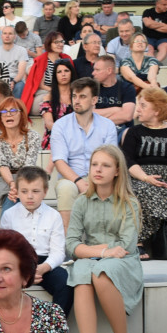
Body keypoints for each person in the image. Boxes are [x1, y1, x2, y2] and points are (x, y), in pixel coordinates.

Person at [67, 145, 143, 333]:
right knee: (81, 271)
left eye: (105, 165)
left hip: (124, 262)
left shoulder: (130, 203)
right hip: (95, 259)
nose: (98, 170)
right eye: (94, 165)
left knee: (100, 272)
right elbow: (71, 244)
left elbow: (126, 246)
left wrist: (90, 249)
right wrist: (101, 251)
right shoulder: (82, 201)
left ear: (117, 171)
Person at [123, 88, 167, 258]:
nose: (138, 109)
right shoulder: (134, 132)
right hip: (141, 177)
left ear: (156, 110)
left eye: (142, 105)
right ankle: (139, 243)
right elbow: (127, 161)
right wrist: (146, 177)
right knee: (139, 191)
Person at [0, 167, 73, 315]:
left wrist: (43, 268)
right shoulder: (9, 215)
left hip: (45, 264)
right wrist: (23, 270)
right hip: (18, 264)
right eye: (24, 191)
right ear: (18, 192)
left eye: (36, 191)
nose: (30, 196)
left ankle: (53, 330)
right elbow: (4, 251)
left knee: (65, 283)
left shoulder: (54, 216)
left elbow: (58, 252)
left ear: (45, 192)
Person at [51, 77, 118, 230]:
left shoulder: (107, 126)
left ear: (94, 99)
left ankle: (103, 243)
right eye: (74, 96)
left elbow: (110, 160)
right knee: (66, 189)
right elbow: (59, 161)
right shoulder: (60, 125)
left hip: (100, 176)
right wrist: (80, 182)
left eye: (82, 96)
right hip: (71, 177)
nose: (77, 101)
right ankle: (69, 246)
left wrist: (95, 181)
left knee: (106, 187)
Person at [0, 96, 42, 203]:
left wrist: (19, 185)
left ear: (22, 115)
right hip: (3, 179)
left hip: (27, 178)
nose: (8, 114)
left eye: (13, 110)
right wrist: (13, 184)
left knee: (21, 197)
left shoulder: (33, 136)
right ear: (0, 117)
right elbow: (2, 165)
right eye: (4, 111)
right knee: (11, 199)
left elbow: (29, 165)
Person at [22, 32, 69, 116]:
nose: (60, 44)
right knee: (52, 98)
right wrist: (56, 92)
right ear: (49, 44)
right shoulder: (42, 61)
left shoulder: (66, 59)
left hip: (63, 94)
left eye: (61, 42)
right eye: (56, 42)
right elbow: (41, 85)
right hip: (43, 94)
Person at [91, 55, 136, 136]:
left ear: (109, 70)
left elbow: (127, 116)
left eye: (97, 70)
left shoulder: (127, 88)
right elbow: (90, 114)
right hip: (98, 132)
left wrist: (100, 120)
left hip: (121, 133)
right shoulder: (93, 89)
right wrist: (116, 109)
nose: (93, 73)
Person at [40, 59, 75, 150]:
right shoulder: (48, 98)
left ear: (71, 73)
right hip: (55, 138)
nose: (63, 74)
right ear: (55, 76)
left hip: (75, 138)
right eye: (59, 72)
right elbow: (49, 123)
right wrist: (67, 133)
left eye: (66, 71)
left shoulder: (77, 96)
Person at [0, 26, 29, 99]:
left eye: (10, 34)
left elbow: (21, 73)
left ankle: (15, 108)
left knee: (19, 86)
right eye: (5, 33)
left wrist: (13, 81)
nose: (7, 36)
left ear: (15, 37)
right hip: (1, 79)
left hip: (16, 79)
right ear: (1, 36)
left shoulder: (21, 51)